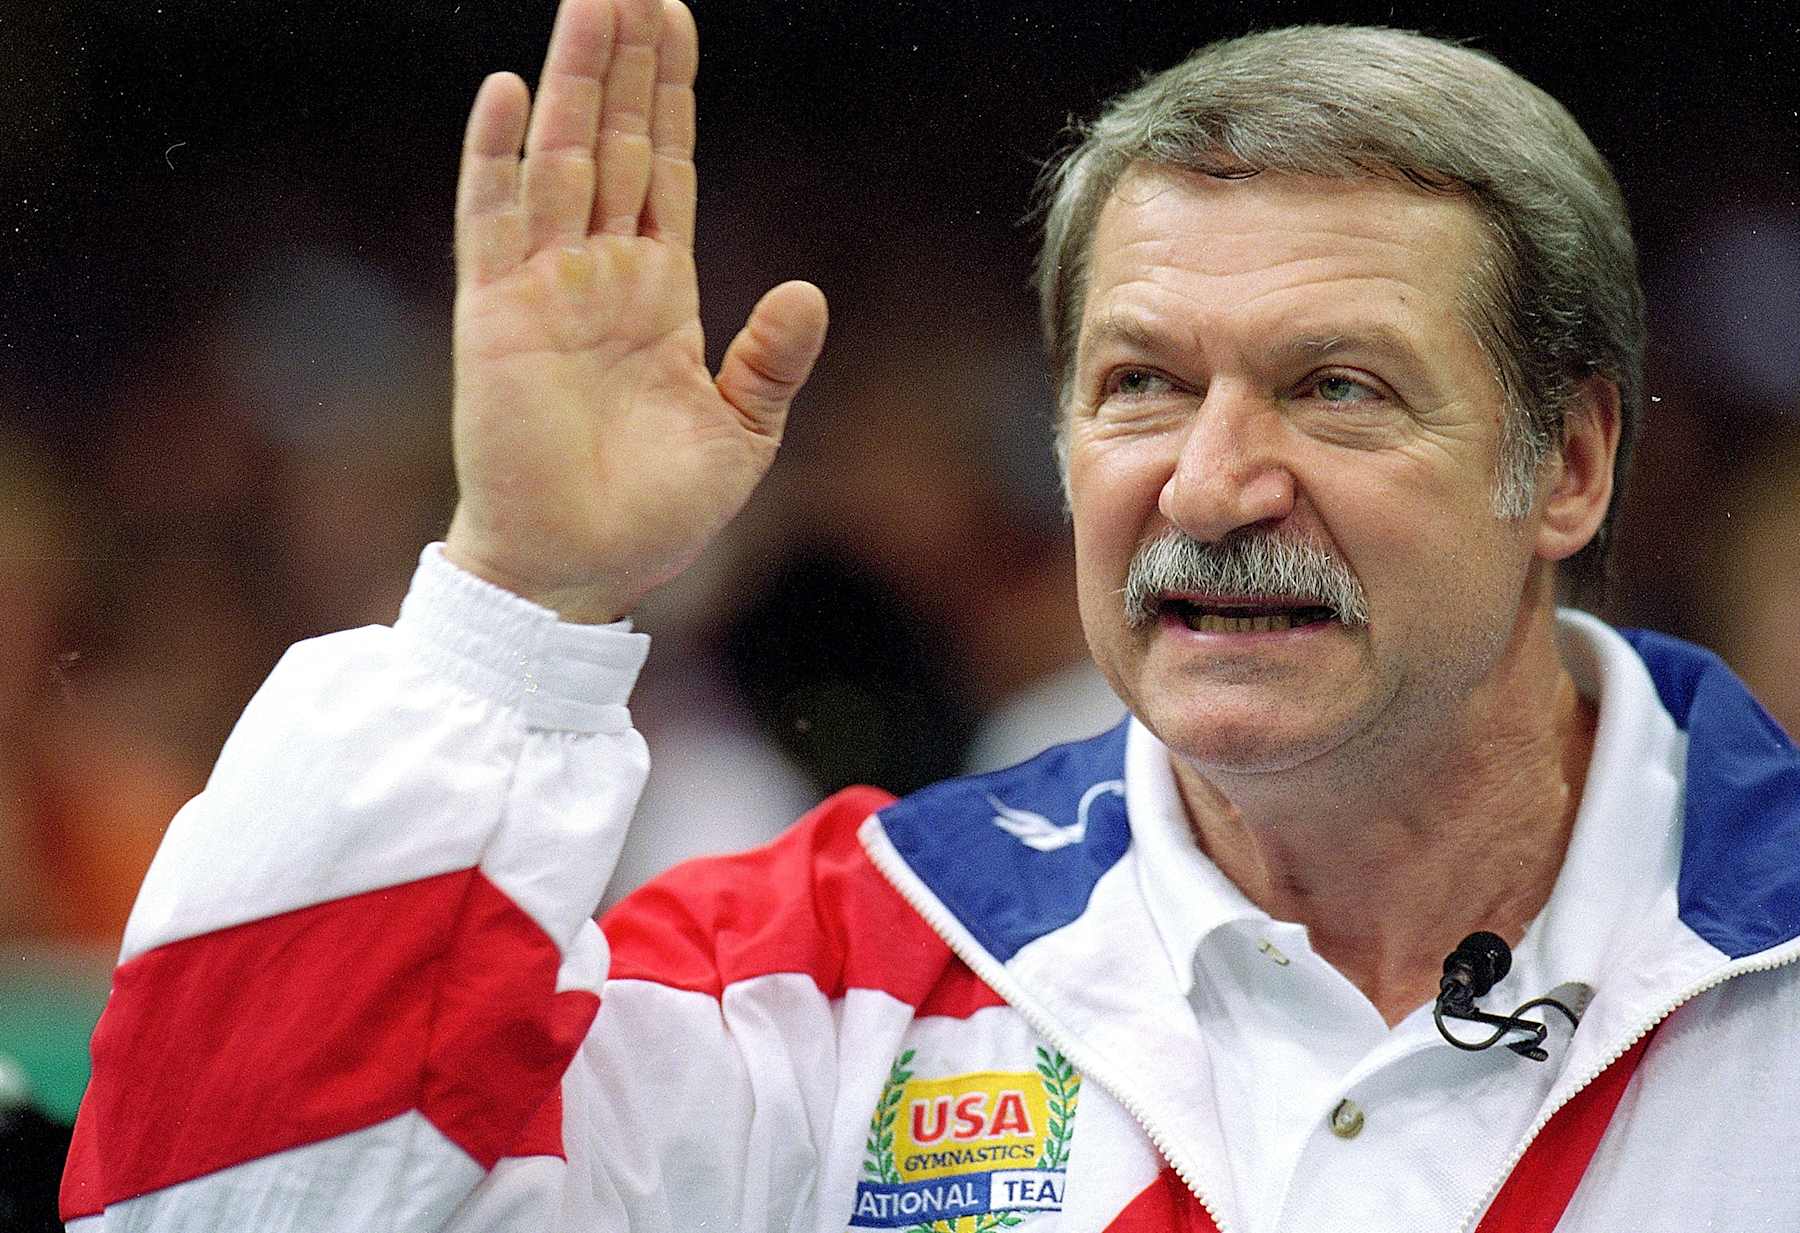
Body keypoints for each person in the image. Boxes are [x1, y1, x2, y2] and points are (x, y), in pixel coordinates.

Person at [61, 1, 1800, 1230]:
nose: (1209, 484)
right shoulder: (837, 971)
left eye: (1334, 387)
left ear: (1566, 462)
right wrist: (518, 602)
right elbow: (207, 1209)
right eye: (1140, 383)